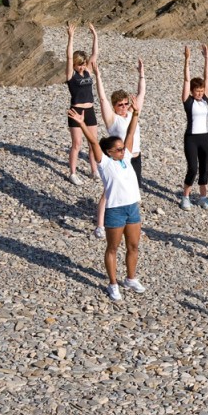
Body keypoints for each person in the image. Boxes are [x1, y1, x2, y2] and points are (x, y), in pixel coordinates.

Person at [68, 97, 144, 302]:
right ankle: (113, 284)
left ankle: (130, 278)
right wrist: (82, 123)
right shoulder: (105, 164)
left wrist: (135, 113)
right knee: (112, 248)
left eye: (122, 148)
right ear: (109, 152)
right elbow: (93, 142)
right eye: (118, 149)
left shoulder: (126, 157)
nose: (122, 150)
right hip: (115, 210)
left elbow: (129, 133)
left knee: (134, 246)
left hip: (132, 208)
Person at [92, 54, 146, 239]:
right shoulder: (112, 119)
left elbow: (141, 95)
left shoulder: (132, 113)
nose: (124, 107)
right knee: (108, 192)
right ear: (115, 106)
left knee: (133, 187)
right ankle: (100, 224)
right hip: (117, 157)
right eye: (120, 105)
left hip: (134, 157)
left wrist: (141, 75)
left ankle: (130, 221)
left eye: (125, 104)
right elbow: (102, 99)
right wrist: (98, 76)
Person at [65, 21, 99, 185]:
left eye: (83, 64)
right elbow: (69, 57)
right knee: (77, 144)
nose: (82, 67)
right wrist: (71, 38)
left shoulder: (88, 71)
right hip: (76, 111)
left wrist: (95, 35)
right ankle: (72, 172)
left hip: (90, 110)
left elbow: (95, 54)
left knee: (93, 143)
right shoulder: (71, 75)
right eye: (79, 64)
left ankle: (94, 170)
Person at [180, 44, 208, 211]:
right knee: (193, 168)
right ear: (192, 91)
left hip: (205, 137)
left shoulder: (205, 100)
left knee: (204, 169)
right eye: (197, 91)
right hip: (191, 138)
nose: (200, 93)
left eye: (201, 91)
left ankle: (202, 198)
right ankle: (185, 197)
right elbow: (186, 80)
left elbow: (207, 78)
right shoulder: (188, 102)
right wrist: (187, 60)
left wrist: (206, 59)